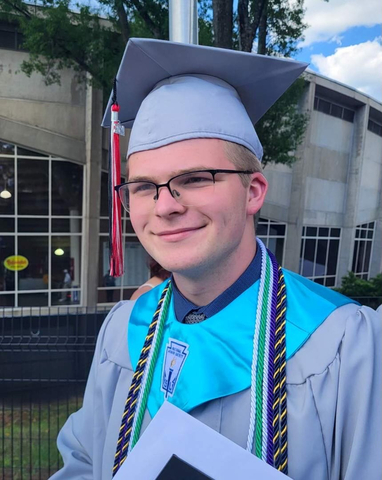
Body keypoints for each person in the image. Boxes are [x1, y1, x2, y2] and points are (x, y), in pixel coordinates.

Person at [51, 39, 381, 480]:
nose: (165, 206)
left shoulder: (343, 343)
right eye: (145, 186)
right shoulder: (121, 332)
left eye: (194, 178)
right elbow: (84, 464)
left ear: (254, 191)